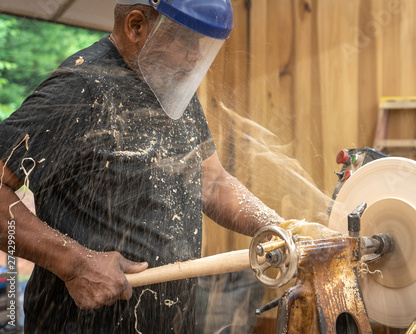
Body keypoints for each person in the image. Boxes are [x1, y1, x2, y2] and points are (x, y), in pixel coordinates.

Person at [0, 0, 337, 332]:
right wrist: (75, 263)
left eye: (203, 44)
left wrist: (286, 230)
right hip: (81, 324)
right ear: (136, 25)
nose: (195, 56)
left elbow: (213, 183)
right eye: (186, 39)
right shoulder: (78, 89)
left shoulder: (174, 91)